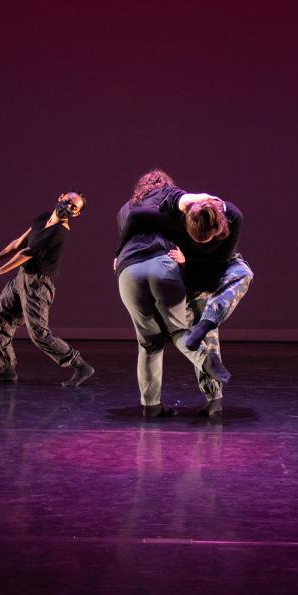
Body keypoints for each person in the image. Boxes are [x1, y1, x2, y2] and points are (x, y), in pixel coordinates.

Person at [115, 177, 253, 416]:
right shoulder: (173, 213)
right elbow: (139, 217)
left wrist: (120, 257)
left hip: (211, 267)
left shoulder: (232, 217)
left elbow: (219, 261)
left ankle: (208, 323)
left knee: (242, 273)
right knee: (189, 332)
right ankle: (214, 397)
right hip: (185, 272)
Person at [0, 192, 94, 387]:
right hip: (22, 277)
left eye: (73, 207)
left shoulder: (60, 232)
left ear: (76, 214)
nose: (68, 206)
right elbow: (19, 243)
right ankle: (7, 370)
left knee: (39, 334)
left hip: (38, 284)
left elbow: (27, 252)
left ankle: (81, 365)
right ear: (60, 197)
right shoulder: (44, 217)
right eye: (67, 201)